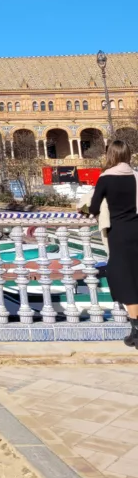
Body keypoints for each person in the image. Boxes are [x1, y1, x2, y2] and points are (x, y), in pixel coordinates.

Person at [88, 140, 138, 347]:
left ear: (111, 155)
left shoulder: (106, 178)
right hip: (136, 229)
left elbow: (93, 207)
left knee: (125, 280)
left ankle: (135, 330)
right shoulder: (136, 176)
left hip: (119, 232)